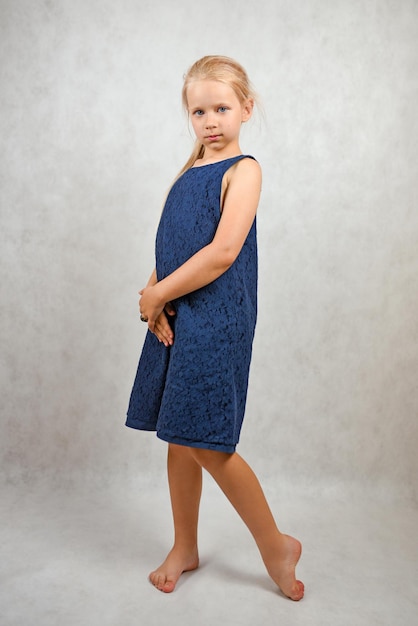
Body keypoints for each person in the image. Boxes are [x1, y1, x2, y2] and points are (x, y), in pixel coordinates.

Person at [126, 55, 304, 601]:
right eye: (199, 110)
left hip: (217, 318)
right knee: (179, 436)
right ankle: (186, 546)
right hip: (178, 311)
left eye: (222, 108)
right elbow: (176, 248)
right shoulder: (187, 173)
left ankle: (276, 544)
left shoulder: (242, 170)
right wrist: (154, 296)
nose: (211, 120)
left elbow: (223, 252)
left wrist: (158, 293)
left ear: (246, 109)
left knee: (208, 440)